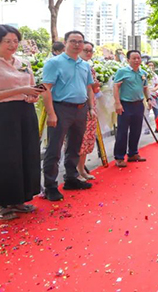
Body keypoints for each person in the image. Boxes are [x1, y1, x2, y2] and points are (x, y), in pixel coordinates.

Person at [41, 30, 96, 201]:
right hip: (61, 109)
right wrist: (51, 113)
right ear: (65, 43)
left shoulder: (84, 65)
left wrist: (91, 108)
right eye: (73, 41)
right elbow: (46, 89)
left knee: (75, 146)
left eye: (80, 41)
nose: (77, 44)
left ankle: (71, 178)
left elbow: (89, 88)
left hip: (80, 110)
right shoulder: (54, 63)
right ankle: (50, 186)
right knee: (54, 148)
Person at [0, 25, 45, 220]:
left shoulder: (23, 62)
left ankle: (20, 199)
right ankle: (3, 204)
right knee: (7, 158)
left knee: (26, 154)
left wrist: (32, 95)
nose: (13, 45)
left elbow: (31, 87)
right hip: (4, 114)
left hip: (25, 112)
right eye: (7, 41)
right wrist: (21, 90)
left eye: (16, 41)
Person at [112, 50, 151, 168]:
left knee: (136, 130)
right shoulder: (122, 72)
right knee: (122, 132)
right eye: (133, 58)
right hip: (125, 105)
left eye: (138, 58)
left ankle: (133, 153)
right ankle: (119, 157)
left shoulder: (142, 72)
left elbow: (145, 87)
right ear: (128, 60)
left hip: (138, 104)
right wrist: (117, 103)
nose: (136, 60)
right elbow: (115, 87)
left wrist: (148, 99)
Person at [77, 41, 100, 181]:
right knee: (77, 140)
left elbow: (94, 89)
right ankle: (75, 170)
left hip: (90, 106)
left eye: (91, 51)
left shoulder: (89, 68)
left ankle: (81, 168)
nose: (88, 53)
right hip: (75, 106)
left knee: (87, 140)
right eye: (86, 50)